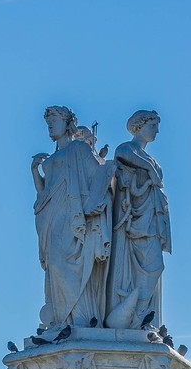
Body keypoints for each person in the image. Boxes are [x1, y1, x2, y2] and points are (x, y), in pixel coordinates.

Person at [31, 105, 113, 330]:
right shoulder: (52, 158)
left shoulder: (79, 148)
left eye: (54, 121)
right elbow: (44, 195)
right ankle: (61, 320)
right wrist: (35, 172)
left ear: (67, 123)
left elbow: (99, 176)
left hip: (73, 216)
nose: (50, 125)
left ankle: (80, 318)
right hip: (51, 217)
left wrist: (94, 206)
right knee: (55, 267)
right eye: (48, 123)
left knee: (69, 264)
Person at [105, 110, 171, 330]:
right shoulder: (128, 148)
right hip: (133, 222)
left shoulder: (151, 160)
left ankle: (141, 317)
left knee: (156, 268)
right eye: (152, 125)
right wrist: (149, 168)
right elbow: (122, 154)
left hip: (151, 220)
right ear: (139, 126)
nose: (157, 130)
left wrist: (151, 169)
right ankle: (135, 317)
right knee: (150, 268)